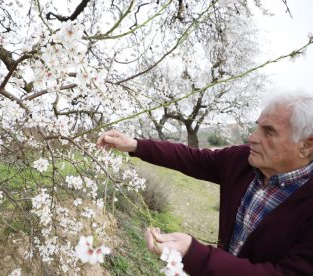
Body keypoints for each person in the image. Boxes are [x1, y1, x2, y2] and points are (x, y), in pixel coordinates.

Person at [96, 91, 313, 275]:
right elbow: (190, 158)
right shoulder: (241, 161)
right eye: (257, 127)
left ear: (306, 146)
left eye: (269, 132)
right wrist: (135, 145)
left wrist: (194, 253)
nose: (252, 138)